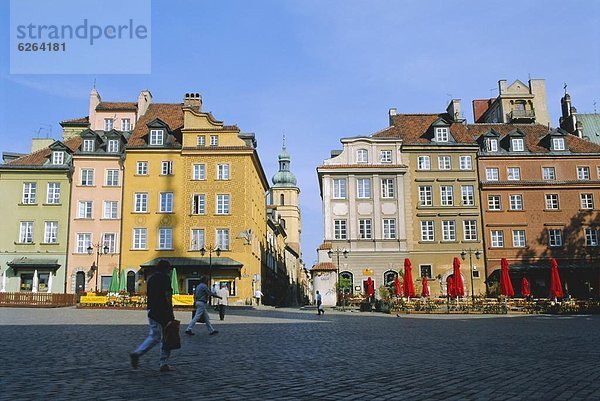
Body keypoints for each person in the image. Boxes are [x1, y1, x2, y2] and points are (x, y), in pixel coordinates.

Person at [130, 259, 176, 372]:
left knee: (155, 336)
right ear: (166, 269)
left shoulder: (151, 279)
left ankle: (138, 353)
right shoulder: (165, 278)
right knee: (167, 336)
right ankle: (163, 363)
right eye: (169, 268)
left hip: (151, 310)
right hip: (163, 311)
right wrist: (171, 312)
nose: (170, 270)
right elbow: (167, 295)